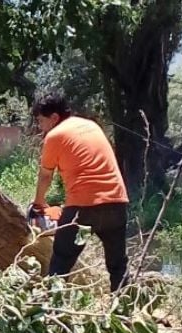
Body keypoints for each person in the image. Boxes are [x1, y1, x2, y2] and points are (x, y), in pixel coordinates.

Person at [32, 93, 130, 292]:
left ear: (54, 118)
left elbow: (45, 177)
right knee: (118, 265)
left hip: (83, 206)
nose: (40, 127)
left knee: (60, 262)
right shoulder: (91, 126)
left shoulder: (55, 135)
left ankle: (50, 312)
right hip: (116, 201)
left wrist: (39, 204)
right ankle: (124, 312)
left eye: (41, 121)